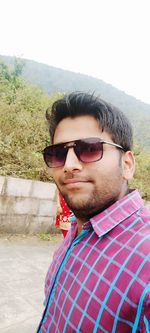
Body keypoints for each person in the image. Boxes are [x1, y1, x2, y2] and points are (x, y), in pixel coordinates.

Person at [37, 92, 150, 333]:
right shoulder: (74, 235)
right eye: (57, 154)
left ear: (127, 164)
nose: (69, 165)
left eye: (89, 149)